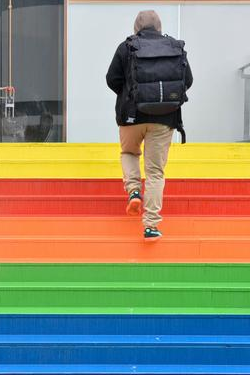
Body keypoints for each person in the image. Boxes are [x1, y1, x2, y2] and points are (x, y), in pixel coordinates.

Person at [106, 10, 193, 241]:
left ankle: (134, 190)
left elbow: (112, 79)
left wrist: (131, 94)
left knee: (129, 153)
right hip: (165, 119)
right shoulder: (174, 47)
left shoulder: (127, 47)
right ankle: (151, 226)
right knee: (155, 172)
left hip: (131, 115)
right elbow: (188, 80)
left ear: (136, 27)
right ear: (159, 26)